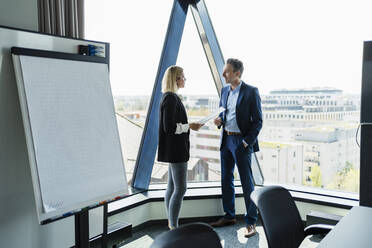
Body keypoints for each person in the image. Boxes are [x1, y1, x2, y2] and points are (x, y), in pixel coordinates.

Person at [211, 58, 262, 238]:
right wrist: (219, 121)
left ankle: (251, 222)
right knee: (226, 179)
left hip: (241, 143)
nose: (224, 74)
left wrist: (246, 142)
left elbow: (258, 122)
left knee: (247, 183)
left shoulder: (251, 92)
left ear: (237, 73)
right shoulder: (224, 91)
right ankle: (229, 216)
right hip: (226, 141)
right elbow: (223, 114)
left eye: (227, 72)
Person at [157, 65, 203, 230]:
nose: (185, 79)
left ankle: (171, 224)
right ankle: (174, 227)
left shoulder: (170, 97)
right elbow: (168, 127)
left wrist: (188, 125)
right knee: (181, 188)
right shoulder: (170, 98)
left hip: (173, 149)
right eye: (183, 76)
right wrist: (189, 126)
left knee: (171, 187)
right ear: (176, 79)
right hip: (176, 150)